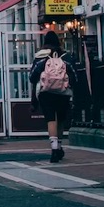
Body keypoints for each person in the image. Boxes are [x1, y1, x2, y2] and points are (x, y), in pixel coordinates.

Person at [30, 31, 77, 163]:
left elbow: (32, 77)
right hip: (63, 92)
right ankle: (60, 146)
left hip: (46, 92)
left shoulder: (40, 57)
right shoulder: (65, 57)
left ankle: (54, 148)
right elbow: (74, 74)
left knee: (50, 119)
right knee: (61, 119)